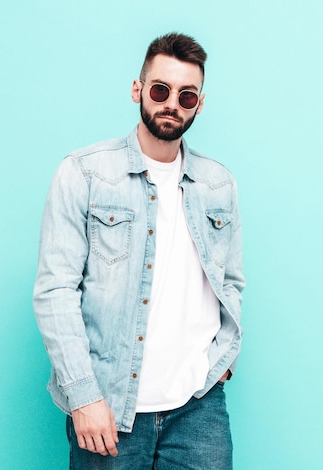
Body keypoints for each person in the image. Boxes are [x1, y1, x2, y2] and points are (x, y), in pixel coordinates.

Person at [33, 32, 244, 469]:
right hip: (108, 405)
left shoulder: (218, 184)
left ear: (199, 105)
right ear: (139, 90)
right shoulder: (85, 173)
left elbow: (231, 282)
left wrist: (222, 360)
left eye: (187, 96)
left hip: (197, 407)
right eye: (161, 90)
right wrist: (84, 395)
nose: (172, 104)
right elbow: (55, 291)